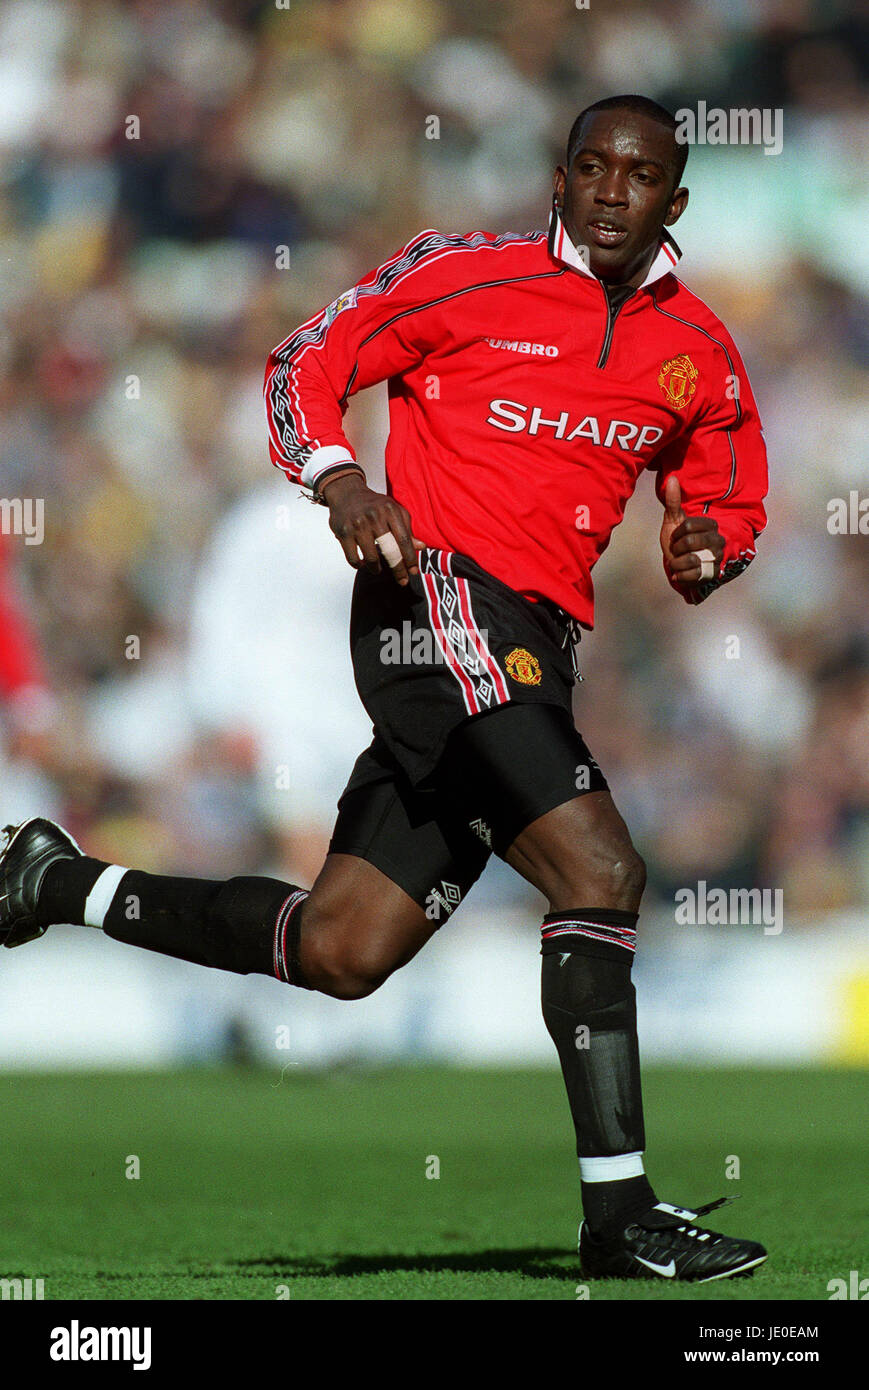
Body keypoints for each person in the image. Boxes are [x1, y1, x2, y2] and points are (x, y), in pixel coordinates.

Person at [1, 96, 769, 1282]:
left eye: (641, 174)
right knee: (601, 869)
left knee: (342, 950)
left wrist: (710, 542)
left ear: (675, 200)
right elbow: (306, 359)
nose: (613, 190)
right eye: (592, 166)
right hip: (436, 601)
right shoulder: (465, 276)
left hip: (535, 649)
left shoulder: (698, 351)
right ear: (558, 179)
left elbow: (719, 485)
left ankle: (59, 882)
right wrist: (339, 477)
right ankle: (619, 1214)